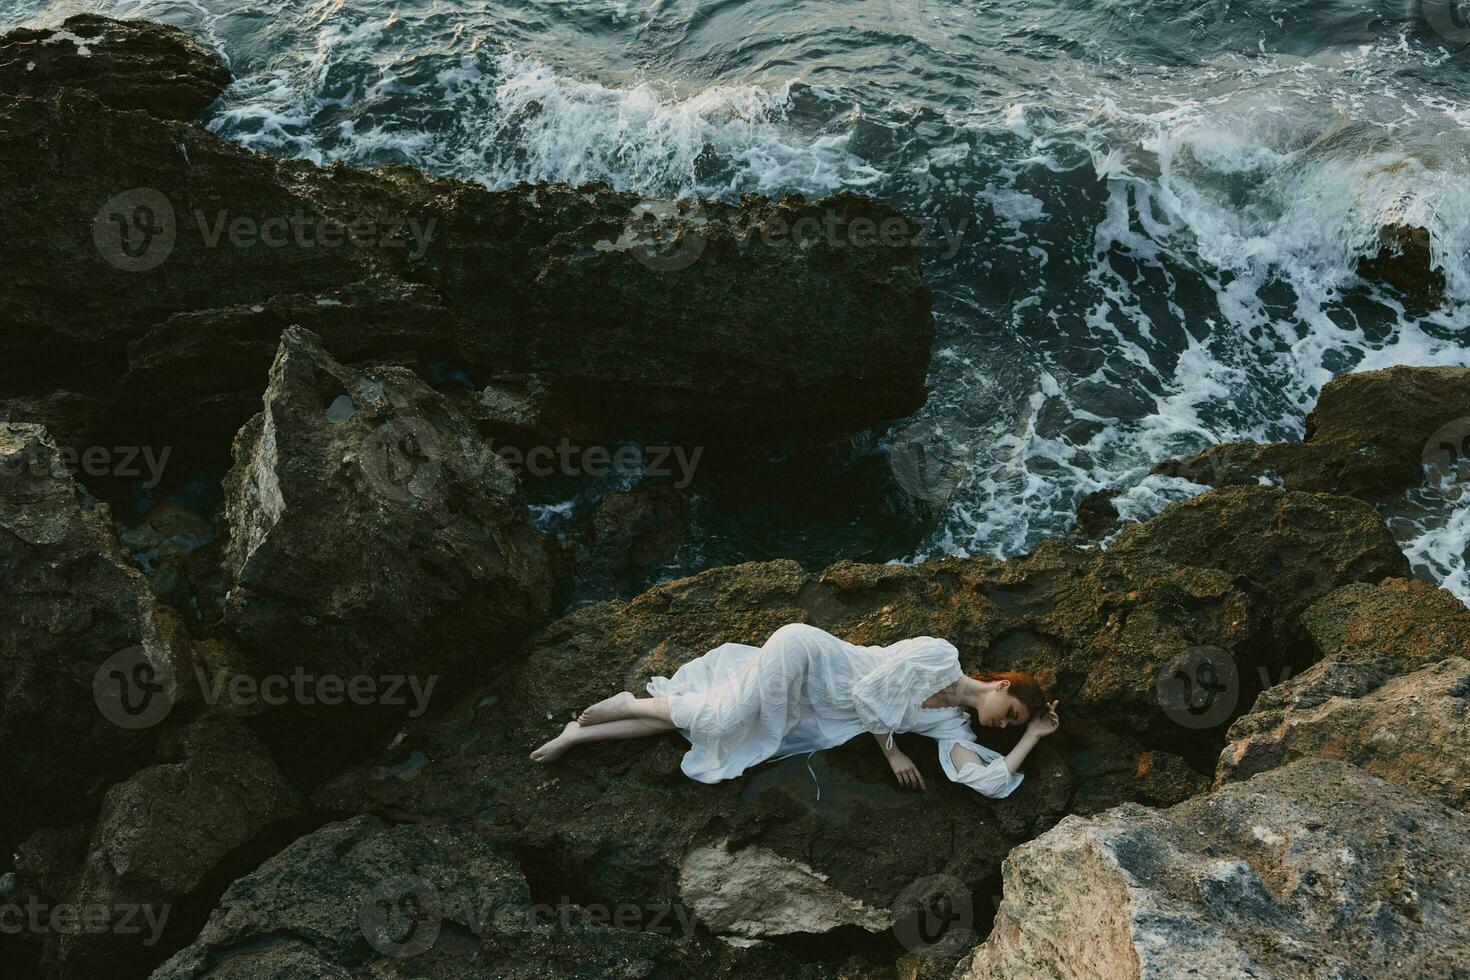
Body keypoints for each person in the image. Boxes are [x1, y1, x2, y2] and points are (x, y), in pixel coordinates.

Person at [530, 622, 1060, 797]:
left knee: (708, 731)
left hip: (809, 702)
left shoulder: (949, 723)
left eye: (1010, 723)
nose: (1003, 723)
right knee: (720, 721)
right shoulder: (939, 655)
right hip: (808, 654)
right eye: (1012, 712)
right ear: (1002, 685)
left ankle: (578, 734)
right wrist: (893, 753)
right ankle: (630, 702)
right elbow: (869, 696)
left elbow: (987, 783)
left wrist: (1031, 738)